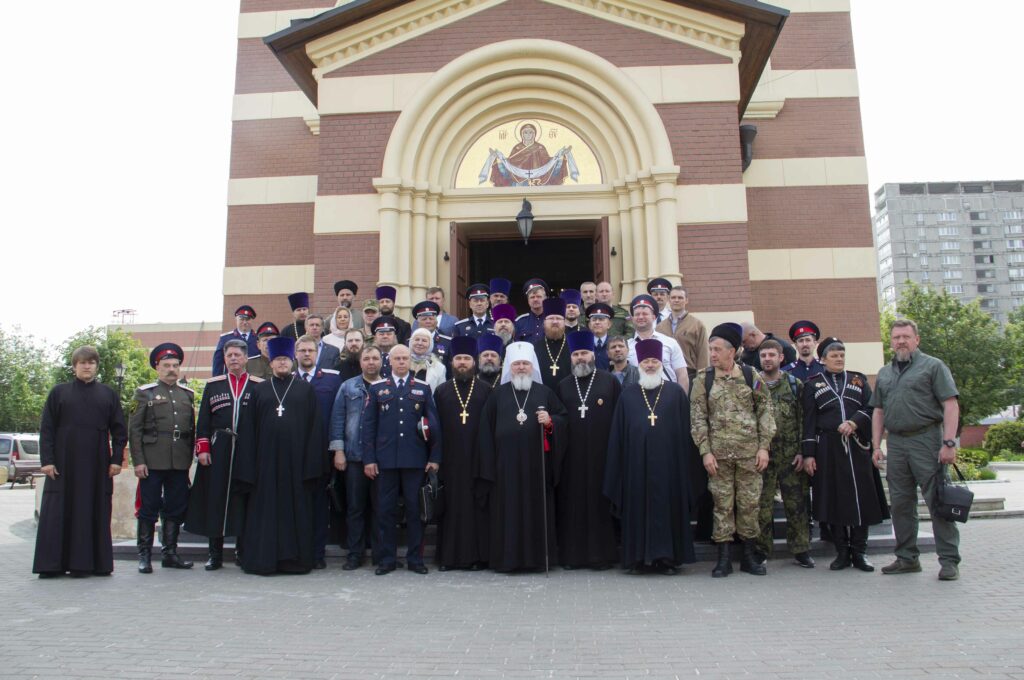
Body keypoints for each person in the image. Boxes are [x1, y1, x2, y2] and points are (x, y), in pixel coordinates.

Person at [870, 319, 962, 581]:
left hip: (927, 440)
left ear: (916, 339)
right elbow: (878, 410)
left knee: (938, 502)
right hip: (897, 443)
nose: (901, 341)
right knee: (900, 503)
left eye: (906, 337)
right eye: (896, 337)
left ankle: (948, 561)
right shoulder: (885, 373)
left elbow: (950, 404)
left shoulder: (933, 366)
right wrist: (877, 445)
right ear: (891, 341)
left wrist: (949, 442)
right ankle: (907, 558)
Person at [33, 346, 127, 578]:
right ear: (74, 366)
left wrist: (116, 460)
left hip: (97, 465)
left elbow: (119, 431)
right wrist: (47, 461)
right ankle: (52, 565)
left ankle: (89, 564)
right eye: (82, 362)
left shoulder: (108, 394)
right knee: (57, 511)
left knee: (92, 510)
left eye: (92, 362)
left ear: (96, 366)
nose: (87, 366)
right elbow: (47, 429)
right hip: (63, 465)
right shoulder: (59, 393)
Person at [604, 339, 696, 574]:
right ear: (640, 364)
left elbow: (687, 433)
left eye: (655, 361)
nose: (651, 365)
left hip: (669, 467)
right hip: (636, 467)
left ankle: (666, 559)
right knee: (637, 509)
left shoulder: (676, 393)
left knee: (666, 510)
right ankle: (637, 558)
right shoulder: (628, 395)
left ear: (661, 364)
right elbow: (619, 435)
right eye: (646, 361)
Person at [234, 337, 325, 575]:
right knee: (265, 512)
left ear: (292, 361)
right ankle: (263, 560)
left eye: (285, 359)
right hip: (265, 465)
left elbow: (316, 429)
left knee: (295, 512)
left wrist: (312, 465)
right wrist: (249, 467)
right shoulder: (259, 390)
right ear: (271, 363)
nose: (282, 363)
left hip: (297, 466)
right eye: (277, 360)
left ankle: (294, 561)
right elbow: (247, 429)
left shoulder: (306, 390)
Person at [691, 324, 776, 578]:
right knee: (722, 506)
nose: (713, 354)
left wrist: (763, 448)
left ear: (732, 352)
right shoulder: (703, 379)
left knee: (750, 505)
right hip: (718, 457)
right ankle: (724, 558)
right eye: (711, 349)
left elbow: (766, 413)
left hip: (750, 455)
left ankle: (749, 557)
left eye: (717, 349)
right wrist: (705, 451)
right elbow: (697, 418)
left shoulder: (751, 376)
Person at [476, 342, 568, 572]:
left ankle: (536, 560)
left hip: (537, 467)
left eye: (525, 364)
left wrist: (550, 421)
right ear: (509, 367)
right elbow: (485, 432)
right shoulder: (497, 395)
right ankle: (506, 560)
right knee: (507, 513)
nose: (521, 368)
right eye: (516, 364)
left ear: (532, 366)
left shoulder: (545, 393)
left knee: (535, 512)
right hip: (504, 468)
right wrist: (489, 467)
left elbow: (563, 420)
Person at [803, 337, 888, 572]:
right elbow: (808, 421)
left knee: (863, 499)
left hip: (857, 447)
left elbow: (872, 408)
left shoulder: (858, 380)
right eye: (834, 355)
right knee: (834, 500)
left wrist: (854, 421)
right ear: (823, 359)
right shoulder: (813, 385)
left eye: (842, 355)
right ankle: (842, 552)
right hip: (828, 449)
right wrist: (809, 454)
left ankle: (860, 551)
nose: (839, 359)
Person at [360, 344, 442, 575]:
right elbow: (368, 428)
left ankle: (415, 559)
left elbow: (434, 425)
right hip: (385, 461)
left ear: (410, 361)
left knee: (416, 511)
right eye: (397, 358)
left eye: (405, 358)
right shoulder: (377, 389)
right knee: (385, 511)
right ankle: (387, 559)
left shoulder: (422, 388)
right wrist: (369, 459)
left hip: (415, 460)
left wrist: (435, 457)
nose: (401, 362)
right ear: (390, 362)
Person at [185, 339, 262, 570]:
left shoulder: (258, 385)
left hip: (246, 449)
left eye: (238, 355)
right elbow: (204, 420)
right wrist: (203, 448)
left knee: (243, 499)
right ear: (225, 358)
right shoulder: (214, 384)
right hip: (219, 448)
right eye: (230, 355)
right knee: (215, 499)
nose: (234, 359)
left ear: (246, 358)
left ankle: (241, 550)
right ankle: (214, 553)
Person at [555, 331, 621, 570]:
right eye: (576, 354)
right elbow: (560, 419)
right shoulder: (563, 385)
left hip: (602, 456)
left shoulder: (609, 381)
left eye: (584, 353)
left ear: (593, 355)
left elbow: (618, 419)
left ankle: (600, 556)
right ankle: (573, 557)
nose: (580, 358)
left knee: (598, 505)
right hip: (572, 458)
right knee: (573, 505)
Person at [129, 343, 196, 574]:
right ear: (157, 367)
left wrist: (188, 460)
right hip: (152, 460)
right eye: (166, 365)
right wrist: (138, 461)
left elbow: (191, 430)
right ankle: (144, 555)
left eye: (175, 365)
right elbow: (135, 430)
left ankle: (170, 553)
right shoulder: (144, 393)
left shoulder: (187, 394)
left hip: (178, 461)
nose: (171, 370)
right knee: (148, 508)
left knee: (175, 508)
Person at [433, 336, 492, 571]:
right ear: (451, 362)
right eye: (458, 358)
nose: (462, 363)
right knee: (450, 510)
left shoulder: (486, 390)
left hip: (477, 460)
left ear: (475, 362)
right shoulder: (442, 391)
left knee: (475, 509)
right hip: (450, 460)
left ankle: (475, 558)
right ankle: (448, 558)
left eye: (467, 358)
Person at [753, 339, 813, 568]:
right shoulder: (753, 384)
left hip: (790, 455)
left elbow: (802, 419)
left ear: (781, 358)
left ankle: (801, 549)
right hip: (763, 456)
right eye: (763, 355)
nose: (767, 359)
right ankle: (761, 550)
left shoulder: (795, 384)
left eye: (771, 355)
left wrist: (801, 450)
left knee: (796, 504)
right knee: (762, 505)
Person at [329, 345, 384, 571]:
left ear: (382, 362)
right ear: (360, 362)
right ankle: (355, 553)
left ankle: (381, 554)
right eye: (367, 358)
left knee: (381, 508)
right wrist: (338, 450)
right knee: (355, 507)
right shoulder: (347, 386)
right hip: (353, 456)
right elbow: (338, 419)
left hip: (382, 459)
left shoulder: (387, 386)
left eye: (375, 358)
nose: (371, 362)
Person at [295, 335, 343, 570]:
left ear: (317, 354)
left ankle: (317, 552)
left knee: (318, 504)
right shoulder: (288, 380)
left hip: (322, 453)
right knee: (295, 502)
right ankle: (297, 550)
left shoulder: (332, 381)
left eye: (310, 351)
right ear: (296, 354)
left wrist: (336, 449)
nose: (306, 354)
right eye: (302, 350)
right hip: (293, 454)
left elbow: (338, 417)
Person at [626, 295, 688, 389]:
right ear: (632, 318)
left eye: (645, 314)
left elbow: (682, 375)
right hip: (637, 398)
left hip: (668, 397)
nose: (641, 317)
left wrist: (681, 401)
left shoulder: (670, 343)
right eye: (637, 314)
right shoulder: (626, 346)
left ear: (654, 317)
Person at [656, 287, 709, 383]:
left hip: (690, 376)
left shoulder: (697, 325)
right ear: (669, 300)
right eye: (673, 297)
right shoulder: (659, 327)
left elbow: (703, 355)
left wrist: (702, 381)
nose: (676, 300)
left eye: (680, 298)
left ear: (686, 300)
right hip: (665, 376)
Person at [533, 297, 571, 389]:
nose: (555, 321)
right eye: (550, 318)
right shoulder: (535, 347)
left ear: (564, 322)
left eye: (558, 318)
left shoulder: (573, 346)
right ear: (544, 322)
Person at [212, 305, 259, 376]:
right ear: (236, 320)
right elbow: (218, 363)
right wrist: (217, 382)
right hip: (233, 380)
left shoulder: (259, 338)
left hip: (255, 379)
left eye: (247, 319)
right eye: (242, 319)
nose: (245, 322)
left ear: (251, 320)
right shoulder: (225, 338)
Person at [412, 300, 452, 367]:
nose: (428, 321)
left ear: (436, 321)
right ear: (417, 322)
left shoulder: (448, 342)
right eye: (424, 319)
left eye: (431, 318)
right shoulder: (410, 342)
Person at [409, 327, 448, 392]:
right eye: (417, 339)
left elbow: (441, 393)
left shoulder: (439, 368)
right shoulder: (400, 361)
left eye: (424, 341)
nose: (420, 343)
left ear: (430, 344)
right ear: (411, 342)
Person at [514, 278, 548, 342]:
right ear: (528, 300)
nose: (535, 299)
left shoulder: (552, 320)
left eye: (539, 296)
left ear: (545, 298)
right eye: (532, 297)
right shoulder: (520, 322)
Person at [586, 303, 613, 370]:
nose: (597, 322)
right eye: (594, 320)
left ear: (609, 324)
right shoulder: (584, 344)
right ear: (589, 325)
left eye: (601, 319)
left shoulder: (614, 343)